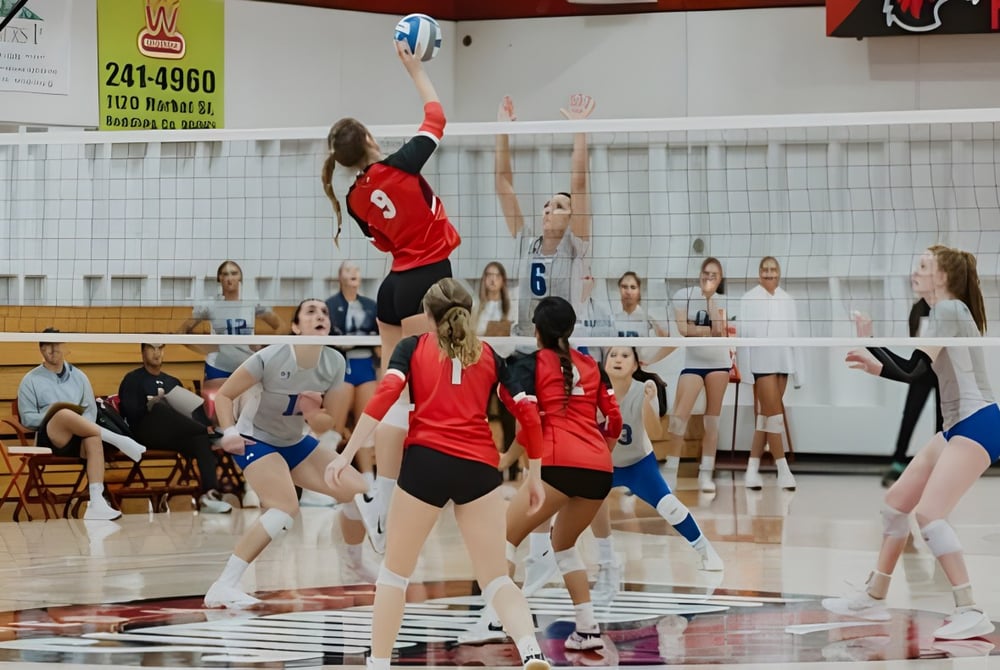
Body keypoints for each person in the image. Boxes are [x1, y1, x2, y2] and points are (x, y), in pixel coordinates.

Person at [326, 279, 550, 670]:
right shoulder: (491, 356)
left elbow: (384, 397)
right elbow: (530, 416)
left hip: (426, 463)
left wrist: (346, 454)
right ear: (470, 311)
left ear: (427, 315)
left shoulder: (412, 348)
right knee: (496, 577)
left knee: (394, 574)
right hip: (478, 468)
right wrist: (534, 475)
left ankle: (378, 663)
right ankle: (531, 650)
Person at [320, 41, 461, 552]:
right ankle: (406, 495)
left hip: (392, 286)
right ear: (372, 139)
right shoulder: (402, 164)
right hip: (428, 282)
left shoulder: (355, 197)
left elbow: (382, 241)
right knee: (423, 389)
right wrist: (415, 69)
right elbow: (437, 115)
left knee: (392, 387)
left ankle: (380, 496)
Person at [823, 246, 998, 640]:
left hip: (979, 423)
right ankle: (874, 595)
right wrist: (875, 357)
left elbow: (912, 369)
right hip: (958, 425)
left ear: (943, 276)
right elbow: (917, 375)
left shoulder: (950, 310)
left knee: (930, 514)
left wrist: (872, 343)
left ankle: (970, 608)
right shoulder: (943, 313)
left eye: (923, 266)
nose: (914, 272)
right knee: (896, 505)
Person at [203, 300, 370, 609]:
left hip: (295, 441)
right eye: (310, 312)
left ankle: (353, 565)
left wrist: (311, 411)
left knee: (358, 491)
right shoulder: (272, 356)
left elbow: (326, 421)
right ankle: (223, 585)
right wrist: (229, 432)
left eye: (324, 312)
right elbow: (225, 395)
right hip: (256, 439)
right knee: (284, 507)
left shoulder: (333, 362)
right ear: (295, 327)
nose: (320, 315)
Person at [502, 296, 623, 651]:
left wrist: (509, 456)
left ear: (537, 331)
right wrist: (600, 455)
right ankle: (587, 629)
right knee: (564, 545)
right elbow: (614, 420)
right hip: (599, 470)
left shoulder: (530, 364)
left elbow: (525, 417)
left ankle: (499, 620)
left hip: (557, 464)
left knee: (504, 540)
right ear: (570, 330)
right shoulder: (592, 365)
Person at [589, 346, 724, 603]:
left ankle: (704, 549)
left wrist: (647, 404)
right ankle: (606, 559)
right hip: (605, 463)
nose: (618, 359)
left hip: (640, 464)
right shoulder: (594, 393)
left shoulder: (642, 391)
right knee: (586, 504)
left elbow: (653, 430)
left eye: (625, 355)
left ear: (636, 365)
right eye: (612, 355)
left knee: (669, 506)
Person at [180, 260, 282, 509]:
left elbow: (278, 324)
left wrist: (260, 346)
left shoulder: (252, 303)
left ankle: (252, 486)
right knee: (226, 424)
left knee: (251, 423)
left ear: (240, 278)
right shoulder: (209, 306)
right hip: (218, 369)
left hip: (247, 368)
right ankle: (243, 483)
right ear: (219, 280)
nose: (229, 278)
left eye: (234, 273)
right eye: (224, 274)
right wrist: (204, 348)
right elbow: (182, 332)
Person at [17, 329, 146, 521]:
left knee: (92, 437)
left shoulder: (80, 376)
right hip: (52, 438)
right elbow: (27, 419)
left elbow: (91, 411)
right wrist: (53, 414)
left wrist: (78, 423)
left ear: (65, 347)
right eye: (46, 347)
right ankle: (120, 440)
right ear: (41, 350)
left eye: (56, 345)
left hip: (81, 435)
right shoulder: (30, 380)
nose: (52, 350)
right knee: (63, 413)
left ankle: (96, 503)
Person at [495, 94, 595, 336]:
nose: (549, 210)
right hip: (525, 343)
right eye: (547, 205)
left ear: (573, 217)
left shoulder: (574, 247)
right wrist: (501, 131)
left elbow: (579, 185)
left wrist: (579, 130)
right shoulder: (527, 241)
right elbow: (502, 184)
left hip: (561, 343)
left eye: (559, 206)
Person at [117, 343, 232, 514]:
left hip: (175, 434)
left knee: (200, 440)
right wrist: (151, 404)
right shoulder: (133, 379)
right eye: (152, 348)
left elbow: (190, 412)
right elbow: (130, 413)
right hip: (145, 433)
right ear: (143, 352)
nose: (157, 353)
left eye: (160, 348)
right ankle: (210, 433)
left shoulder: (172, 381)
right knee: (160, 408)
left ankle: (209, 496)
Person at [737, 256, 805, 491]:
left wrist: (799, 372)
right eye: (764, 270)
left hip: (783, 362)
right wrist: (745, 372)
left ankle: (751, 470)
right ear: (759, 274)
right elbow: (743, 338)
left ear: (779, 273)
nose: (768, 273)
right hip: (761, 363)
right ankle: (783, 469)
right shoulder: (748, 299)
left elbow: (795, 335)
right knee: (774, 416)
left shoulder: (788, 300)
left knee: (765, 418)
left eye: (773, 270)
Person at [668, 257, 731, 493]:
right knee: (679, 416)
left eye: (714, 275)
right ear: (700, 274)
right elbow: (683, 330)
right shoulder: (683, 294)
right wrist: (699, 329)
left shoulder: (721, 301)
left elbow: (717, 331)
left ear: (720, 279)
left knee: (711, 420)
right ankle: (670, 470)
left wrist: (709, 299)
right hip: (693, 363)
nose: (708, 278)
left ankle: (706, 473)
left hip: (718, 363)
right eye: (706, 273)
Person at [324, 261, 380, 493]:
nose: (353, 273)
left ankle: (369, 480)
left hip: (366, 365)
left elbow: (379, 339)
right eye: (348, 270)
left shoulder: (370, 305)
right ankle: (325, 476)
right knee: (334, 427)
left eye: (357, 269)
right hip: (342, 365)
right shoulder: (330, 305)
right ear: (339, 277)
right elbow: (331, 338)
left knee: (365, 425)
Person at [881, 297, 942, 487]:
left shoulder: (948, 307)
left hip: (944, 370)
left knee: (942, 420)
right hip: (922, 370)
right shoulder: (919, 307)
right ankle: (898, 462)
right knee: (910, 415)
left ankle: (939, 466)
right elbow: (915, 339)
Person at [614, 271, 672, 365]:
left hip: (640, 370)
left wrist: (651, 362)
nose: (628, 292)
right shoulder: (611, 317)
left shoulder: (649, 319)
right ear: (619, 289)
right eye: (624, 287)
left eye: (633, 287)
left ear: (639, 290)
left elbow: (671, 345)